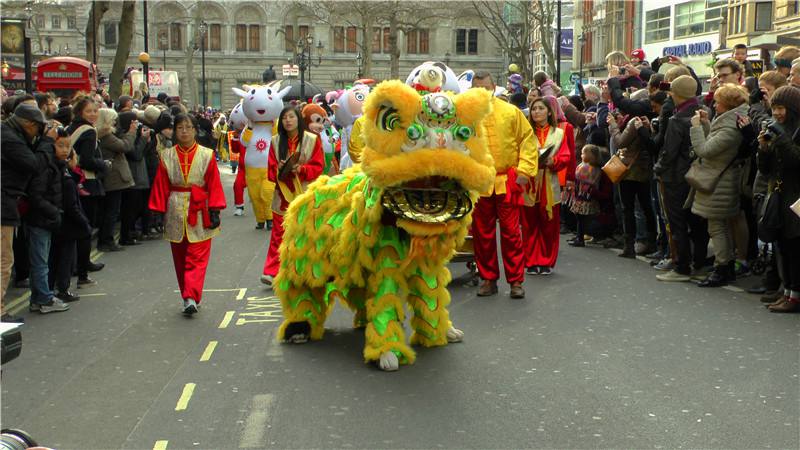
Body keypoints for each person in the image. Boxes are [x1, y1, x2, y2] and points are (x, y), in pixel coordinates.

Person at [149, 114, 226, 315]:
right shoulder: (167, 155)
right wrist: (157, 212)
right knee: (180, 257)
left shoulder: (207, 155)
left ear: (195, 130)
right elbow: (161, 185)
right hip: (175, 208)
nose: (184, 131)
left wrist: (215, 209)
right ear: (175, 131)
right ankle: (189, 294)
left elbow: (214, 184)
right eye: (180, 128)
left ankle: (190, 295)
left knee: (197, 256)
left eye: (188, 127)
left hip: (200, 209)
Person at [470, 71, 537, 298]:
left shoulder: (510, 112)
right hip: (480, 181)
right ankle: (488, 278)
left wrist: (525, 171)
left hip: (507, 180)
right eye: (476, 88)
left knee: (511, 233)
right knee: (482, 234)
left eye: (484, 88)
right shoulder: (466, 117)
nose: (481, 92)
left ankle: (516, 281)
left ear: (493, 87)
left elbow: (528, 141)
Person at [687, 84, 749, 287]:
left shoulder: (730, 128)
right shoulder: (727, 122)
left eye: (717, 101)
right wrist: (705, 124)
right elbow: (712, 141)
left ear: (727, 104)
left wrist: (696, 127)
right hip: (719, 181)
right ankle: (724, 265)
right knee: (719, 226)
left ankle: (723, 268)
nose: (714, 104)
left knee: (717, 227)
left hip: (720, 184)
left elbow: (705, 149)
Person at [653, 75, 710, 282]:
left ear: (675, 94)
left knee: (677, 222)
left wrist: (658, 168)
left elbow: (669, 152)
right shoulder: (703, 111)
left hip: (676, 177)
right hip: (698, 175)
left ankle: (682, 267)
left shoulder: (677, 120)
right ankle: (700, 263)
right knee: (697, 221)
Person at [260, 106, 324, 286]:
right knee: (278, 234)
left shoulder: (312, 140)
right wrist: (280, 169)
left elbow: (319, 167)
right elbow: (270, 171)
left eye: (291, 117)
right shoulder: (275, 141)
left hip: (305, 192)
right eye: (285, 117)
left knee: (305, 233)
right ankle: (272, 272)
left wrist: (301, 169)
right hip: (282, 194)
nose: (288, 120)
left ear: (298, 119)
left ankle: (305, 271)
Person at [757, 86, 800, 312]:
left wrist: (782, 138)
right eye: (774, 108)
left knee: (795, 248)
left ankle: (795, 296)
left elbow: (796, 160)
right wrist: (763, 149)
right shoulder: (777, 129)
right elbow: (765, 170)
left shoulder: (795, 131)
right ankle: (787, 291)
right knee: (782, 246)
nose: (777, 113)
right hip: (779, 196)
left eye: (781, 108)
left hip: (796, 198)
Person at [1, 104, 44, 321]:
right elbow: (32, 164)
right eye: (38, 129)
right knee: (3, 258)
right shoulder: (10, 139)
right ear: (29, 124)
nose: (39, 133)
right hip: (4, 201)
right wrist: (44, 143)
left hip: (6, 199)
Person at [521, 97, 570, 276]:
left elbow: (566, 155)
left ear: (549, 112)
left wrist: (553, 161)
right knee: (529, 224)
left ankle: (546, 261)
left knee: (549, 225)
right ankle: (531, 261)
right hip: (530, 183)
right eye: (534, 109)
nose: (537, 112)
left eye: (541, 108)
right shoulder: (526, 133)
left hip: (550, 182)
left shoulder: (558, 133)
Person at [27, 117, 68, 313]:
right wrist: (52, 211)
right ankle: (44, 299)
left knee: (41, 259)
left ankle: (38, 298)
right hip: (41, 216)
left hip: (45, 215)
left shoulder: (48, 158)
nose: (65, 150)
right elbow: (37, 192)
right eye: (60, 145)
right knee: (40, 261)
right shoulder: (43, 156)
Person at [69, 96, 109, 286]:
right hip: (87, 182)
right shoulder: (89, 132)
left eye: (95, 110)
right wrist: (104, 164)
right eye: (89, 111)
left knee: (76, 228)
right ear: (80, 113)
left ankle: (78, 264)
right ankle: (83, 270)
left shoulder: (72, 128)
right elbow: (86, 160)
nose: (93, 114)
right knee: (86, 228)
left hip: (73, 182)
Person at [49, 129, 90, 303]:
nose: (66, 150)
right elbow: (72, 206)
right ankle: (61, 289)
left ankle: (53, 289)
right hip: (66, 225)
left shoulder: (65, 174)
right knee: (64, 259)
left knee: (57, 258)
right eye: (61, 146)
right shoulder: (65, 178)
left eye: (68, 147)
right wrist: (84, 223)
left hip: (61, 223)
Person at [97, 109, 136, 252]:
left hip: (113, 176)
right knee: (111, 211)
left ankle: (106, 239)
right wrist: (131, 132)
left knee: (111, 210)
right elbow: (125, 146)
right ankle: (106, 240)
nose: (115, 123)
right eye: (113, 120)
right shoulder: (106, 136)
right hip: (113, 177)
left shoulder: (105, 135)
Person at [568, 144, 603, 247]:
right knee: (582, 220)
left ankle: (580, 238)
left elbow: (577, 175)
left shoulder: (586, 167)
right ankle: (580, 236)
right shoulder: (597, 168)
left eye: (583, 153)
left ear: (590, 155)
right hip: (587, 197)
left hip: (583, 197)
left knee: (580, 219)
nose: (581, 155)